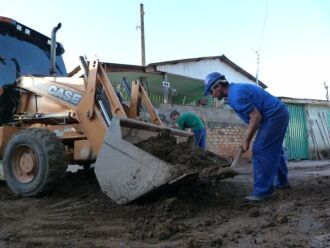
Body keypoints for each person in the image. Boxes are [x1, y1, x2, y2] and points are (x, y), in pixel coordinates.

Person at [204, 72, 290, 201]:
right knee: (274, 149)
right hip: (277, 114)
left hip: (274, 116)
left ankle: (262, 193)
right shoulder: (235, 91)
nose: (212, 95)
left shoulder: (236, 95)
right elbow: (254, 118)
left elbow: (255, 117)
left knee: (261, 150)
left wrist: (246, 140)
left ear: (218, 86)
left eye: (211, 91)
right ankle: (282, 182)